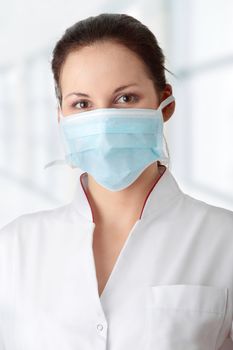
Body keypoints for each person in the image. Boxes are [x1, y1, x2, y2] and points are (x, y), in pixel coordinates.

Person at [0, 13, 233, 350]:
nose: (104, 121)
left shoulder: (224, 241)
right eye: (82, 104)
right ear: (60, 116)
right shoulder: (13, 247)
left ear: (164, 104)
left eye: (125, 98)